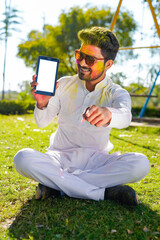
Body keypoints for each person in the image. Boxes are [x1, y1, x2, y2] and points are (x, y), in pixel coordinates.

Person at [14, 26, 150, 206]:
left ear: (108, 64)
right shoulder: (63, 84)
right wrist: (41, 102)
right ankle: (104, 192)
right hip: (59, 158)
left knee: (141, 163)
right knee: (22, 158)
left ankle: (58, 186)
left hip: (98, 162)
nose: (83, 63)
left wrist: (109, 114)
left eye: (91, 59)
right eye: (80, 55)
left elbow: (125, 116)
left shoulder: (116, 92)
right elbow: (42, 122)